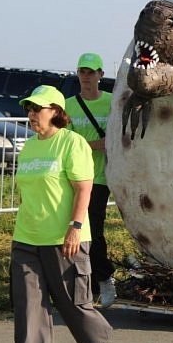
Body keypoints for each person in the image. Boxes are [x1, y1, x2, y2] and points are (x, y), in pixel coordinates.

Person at [10, 85, 112, 343]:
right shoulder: (29, 146)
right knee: (28, 308)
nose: (31, 114)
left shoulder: (71, 142)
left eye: (37, 108)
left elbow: (83, 188)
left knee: (73, 304)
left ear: (55, 111)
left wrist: (75, 227)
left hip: (63, 238)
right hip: (26, 238)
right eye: (28, 109)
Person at [65, 53, 116, 307]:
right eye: (82, 71)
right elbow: (68, 144)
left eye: (91, 72)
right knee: (80, 230)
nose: (86, 76)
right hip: (76, 177)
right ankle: (94, 280)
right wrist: (97, 144)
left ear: (100, 75)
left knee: (94, 229)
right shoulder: (68, 105)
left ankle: (103, 278)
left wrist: (91, 145)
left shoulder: (112, 102)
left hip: (104, 176)